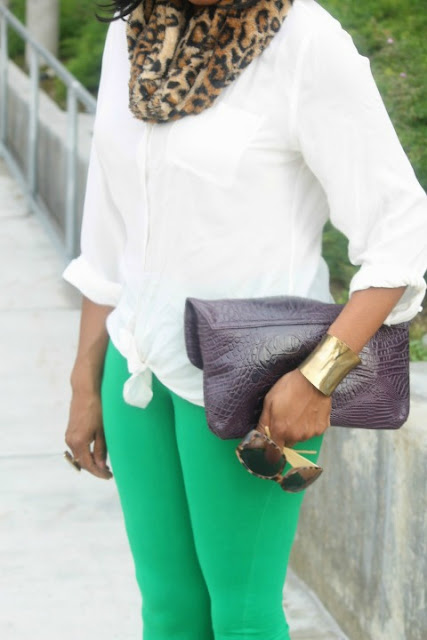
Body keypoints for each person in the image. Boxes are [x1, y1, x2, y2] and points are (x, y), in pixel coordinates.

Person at [62, 0, 427, 638]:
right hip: (135, 366)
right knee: (168, 610)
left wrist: (317, 379)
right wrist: (82, 380)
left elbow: (401, 232)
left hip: (253, 386)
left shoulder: (305, 42)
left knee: (243, 617)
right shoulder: (133, 32)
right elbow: (108, 232)